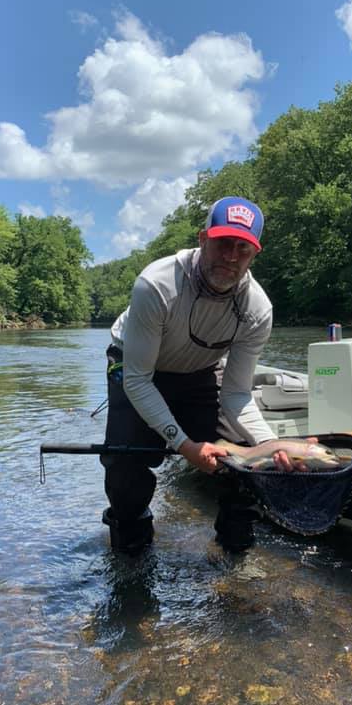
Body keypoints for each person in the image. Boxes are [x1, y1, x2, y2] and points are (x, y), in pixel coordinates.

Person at [101, 196, 285, 554]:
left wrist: (271, 447)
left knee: (244, 460)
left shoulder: (258, 310)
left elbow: (236, 395)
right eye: (222, 243)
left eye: (242, 249)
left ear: (254, 255)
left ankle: (236, 556)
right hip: (137, 368)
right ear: (203, 239)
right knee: (125, 467)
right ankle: (131, 556)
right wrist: (185, 446)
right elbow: (138, 380)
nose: (231, 257)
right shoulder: (156, 285)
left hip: (200, 371)